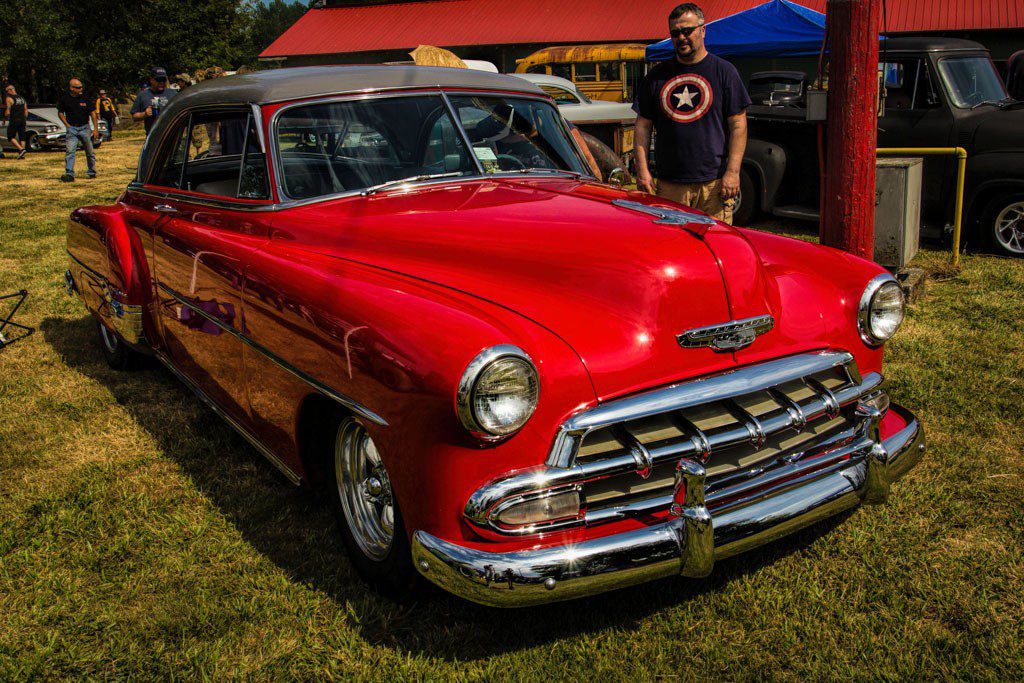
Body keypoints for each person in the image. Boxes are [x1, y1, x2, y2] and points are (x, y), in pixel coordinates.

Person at [633, 3, 751, 224]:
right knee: (672, 248)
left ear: (703, 30)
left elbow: (738, 125)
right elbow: (642, 126)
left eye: (687, 31)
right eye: (675, 33)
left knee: (717, 246)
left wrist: (733, 172)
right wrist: (642, 171)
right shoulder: (656, 76)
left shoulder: (725, 72)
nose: (681, 38)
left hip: (714, 184)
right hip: (669, 185)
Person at [57, 77, 99, 181]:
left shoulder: (85, 98)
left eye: (81, 87)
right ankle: (69, 173)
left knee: (90, 152)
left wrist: (95, 129)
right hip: (72, 128)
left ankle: (91, 171)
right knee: (70, 151)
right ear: (71, 88)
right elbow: (60, 112)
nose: (80, 89)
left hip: (85, 127)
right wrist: (67, 125)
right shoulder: (65, 99)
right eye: (78, 87)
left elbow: (93, 113)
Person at [130, 67, 177, 135]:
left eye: (163, 80)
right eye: (158, 80)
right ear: (151, 80)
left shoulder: (173, 93)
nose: (161, 82)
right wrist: (144, 114)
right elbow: (134, 116)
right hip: (153, 136)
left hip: (172, 135)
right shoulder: (143, 95)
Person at [5, 84, 29, 159]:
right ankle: (22, 155)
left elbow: (8, 111)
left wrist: (5, 115)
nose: (7, 93)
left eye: (7, 91)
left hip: (14, 120)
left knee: (11, 136)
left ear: (10, 90)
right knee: (22, 137)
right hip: (22, 120)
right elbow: (26, 109)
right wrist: (25, 119)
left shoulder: (9, 98)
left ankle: (21, 149)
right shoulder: (22, 98)